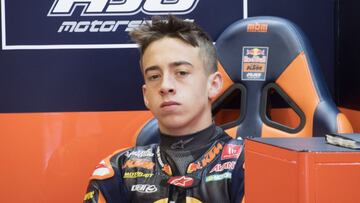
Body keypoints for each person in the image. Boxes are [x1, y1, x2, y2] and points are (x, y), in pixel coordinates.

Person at [84, 15, 244, 203]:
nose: (165, 86)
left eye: (181, 73)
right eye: (154, 76)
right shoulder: (116, 171)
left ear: (214, 85)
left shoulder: (246, 166)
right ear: (146, 95)